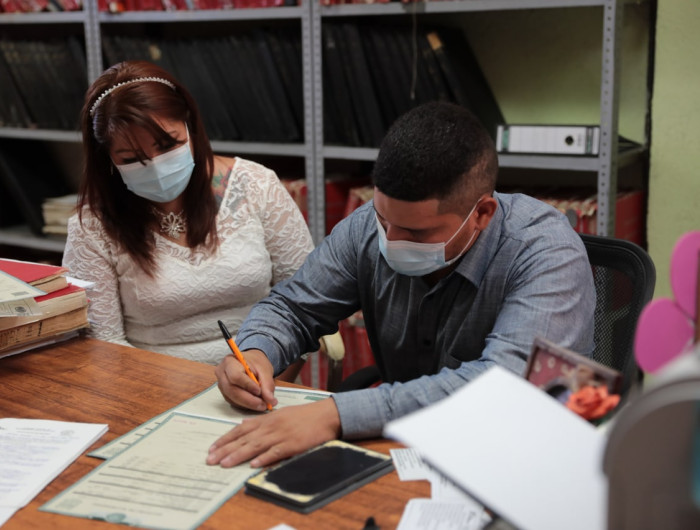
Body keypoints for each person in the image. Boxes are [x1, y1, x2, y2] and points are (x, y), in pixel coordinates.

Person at [206, 101, 596, 468]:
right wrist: (257, 351)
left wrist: (336, 414)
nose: (390, 240)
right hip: (406, 445)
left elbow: (504, 389)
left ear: (481, 214)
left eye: (414, 231)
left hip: (520, 456)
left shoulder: (547, 252)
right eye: (383, 219)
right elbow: (293, 308)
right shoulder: (368, 227)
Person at [62, 60, 314, 368]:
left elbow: (303, 304)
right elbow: (104, 347)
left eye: (169, 144)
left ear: (190, 126)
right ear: (109, 161)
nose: (155, 165)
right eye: (131, 158)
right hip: (152, 392)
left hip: (266, 376)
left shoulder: (257, 185)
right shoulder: (93, 227)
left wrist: (273, 381)